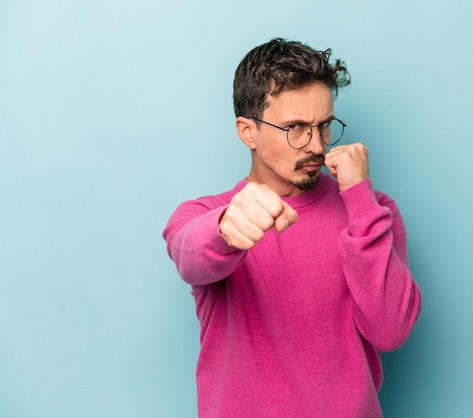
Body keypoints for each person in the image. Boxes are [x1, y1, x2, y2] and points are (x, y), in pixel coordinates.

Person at [163, 38, 421, 417]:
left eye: (324, 126)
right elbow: (190, 254)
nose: (316, 146)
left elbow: (391, 331)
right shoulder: (209, 214)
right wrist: (225, 230)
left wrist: (360, 198)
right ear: (248, 131)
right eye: (296, 128)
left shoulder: (374, 211)